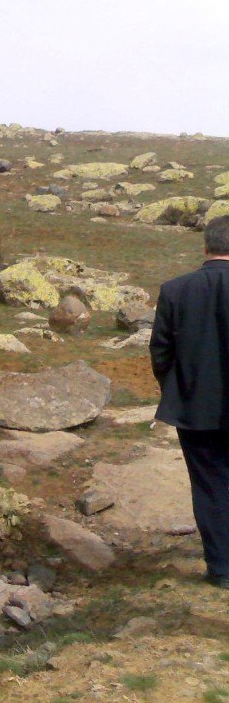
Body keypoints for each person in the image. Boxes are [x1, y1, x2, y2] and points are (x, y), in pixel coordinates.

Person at [150, 214, 229, 590]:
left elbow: (161, 352)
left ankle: (222, 568)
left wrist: (178, 389)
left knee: (210, 486)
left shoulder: (175, 290)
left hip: (195, 408)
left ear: (206, 247)